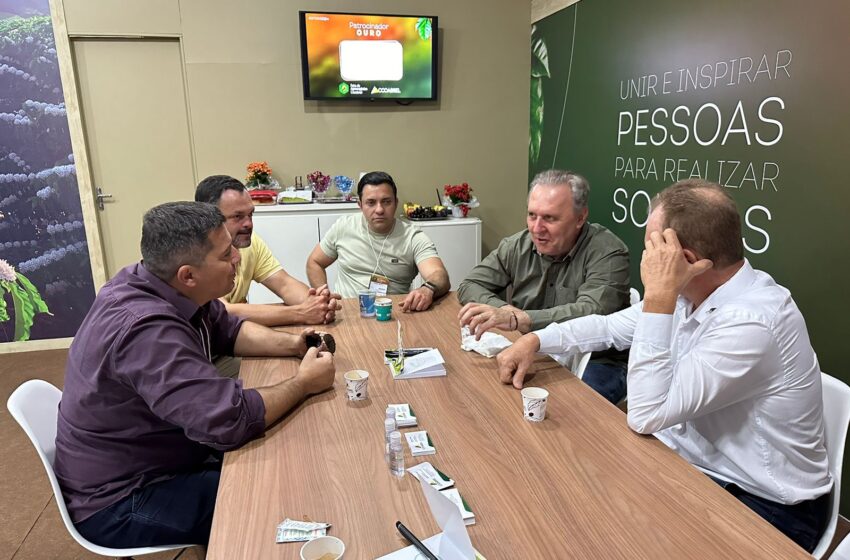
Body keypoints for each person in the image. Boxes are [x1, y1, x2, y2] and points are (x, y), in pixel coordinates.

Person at [496, 180, 831, 552]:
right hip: (691, 468)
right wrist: (536, 339)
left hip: (765, 506)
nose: (646, 256)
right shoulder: (695, 293)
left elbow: (645, 413)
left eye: (652, 247)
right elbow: (608, 327)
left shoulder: (753, 320)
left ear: (683, 260)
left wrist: (659, 295)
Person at [53, 202, 336, 549]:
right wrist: (304, 382)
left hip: (160, 454)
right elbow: (228, 420)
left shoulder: (160, 282)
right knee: (270, 498)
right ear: (188, 274)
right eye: (225, 253)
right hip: (122, 498)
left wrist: (295, 345)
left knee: (283, 458)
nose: (237, 257)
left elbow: (227, 329)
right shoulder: (147, 330)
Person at [457, 170, 630, 403]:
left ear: (580, 218)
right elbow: (471, 284)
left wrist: (523, 319)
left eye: (550, 218)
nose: (537, 229)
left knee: (567, 409)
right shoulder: (517, 245)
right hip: (534, 348)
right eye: (531, 215)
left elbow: (594, 311)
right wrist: (506, 313)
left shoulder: (608, 252)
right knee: (482, 391)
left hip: (594, 359)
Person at [195, 175, 340, 327]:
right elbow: (223, 312)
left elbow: (284, 284)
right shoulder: (197, 254)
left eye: (250, 214)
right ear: (209, 218)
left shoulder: (251, 243)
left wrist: (318, 303)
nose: (249, 224)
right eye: (237, 216)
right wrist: (301, 313)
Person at [306, 171, 450, 312]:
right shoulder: (344, 227)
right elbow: (315, 262)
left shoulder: (413, 237)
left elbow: (439, 275)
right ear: (360, 205)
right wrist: (323, 294)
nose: (379, 209)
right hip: (347, 312)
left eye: (386, 202)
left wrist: (428, 289)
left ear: (396, 203)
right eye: (371, 203)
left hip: (393, 313)